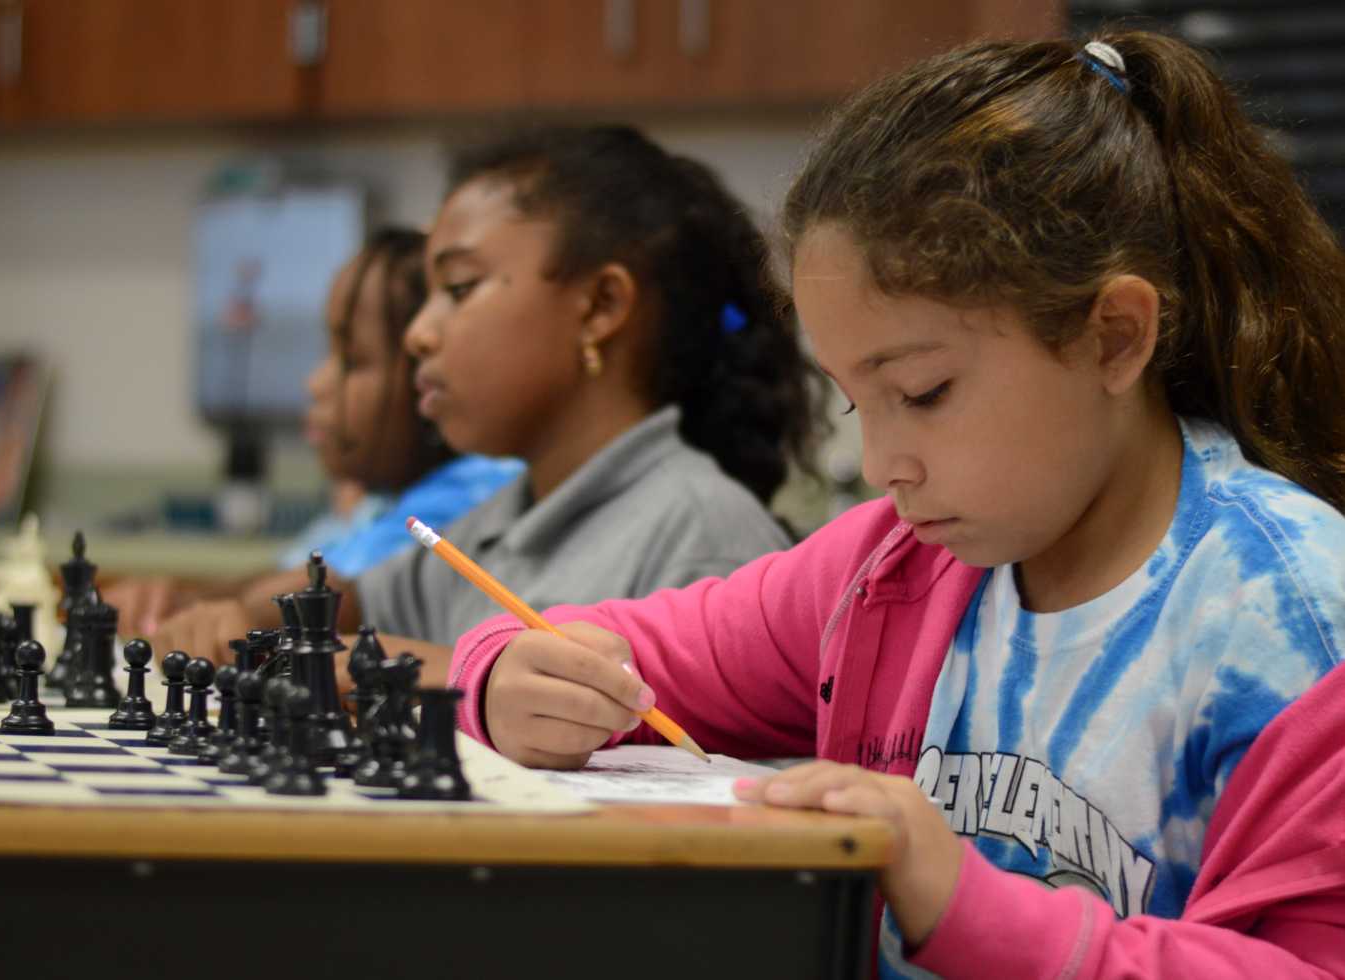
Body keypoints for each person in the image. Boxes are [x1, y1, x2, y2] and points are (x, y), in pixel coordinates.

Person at [451, 33, 1345, 978]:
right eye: (852, 401)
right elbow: (607, 650)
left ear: (1113, 338)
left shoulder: (1287, 617)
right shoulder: (893, 572)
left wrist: (959, 901)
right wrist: (503, 679)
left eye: (920, 393)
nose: (882, 465)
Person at [151, 124, 822, 679]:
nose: (419, 333)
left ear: (600, 306)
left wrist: (363, 665)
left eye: (461, 288)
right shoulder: (503, 519)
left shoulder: (700, 537)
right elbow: (352, 598)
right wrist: (242, 615)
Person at [110, 228, 520, 640]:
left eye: (352, 359)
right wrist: (182, 601)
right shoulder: (376, 506)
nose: (315, 383)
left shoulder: (473, 495)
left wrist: (186, 606)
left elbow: (314, 595)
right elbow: (280, 578)